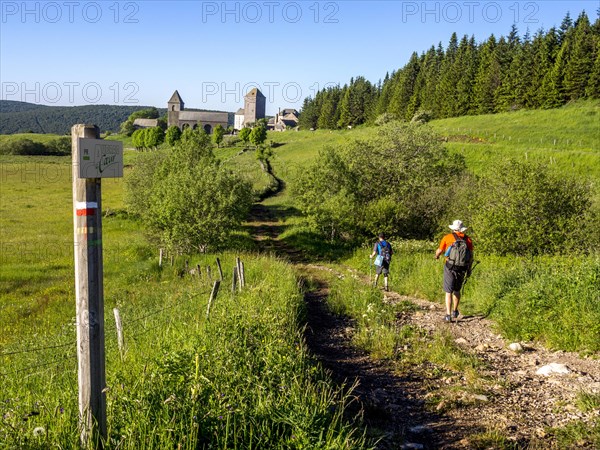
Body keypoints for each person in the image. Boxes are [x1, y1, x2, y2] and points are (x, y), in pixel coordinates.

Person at [435, 220, 474, 322]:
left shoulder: (447, 238)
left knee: (448, 291)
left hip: (450, 266)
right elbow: (471, 257)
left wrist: (437, 256)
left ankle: (448, 315)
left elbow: (439, 250)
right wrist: (469, 269)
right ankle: (455, 311)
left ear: (453, 228)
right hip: (462, 268)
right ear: (462, 229)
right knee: (457, 290)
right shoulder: (468, 240)